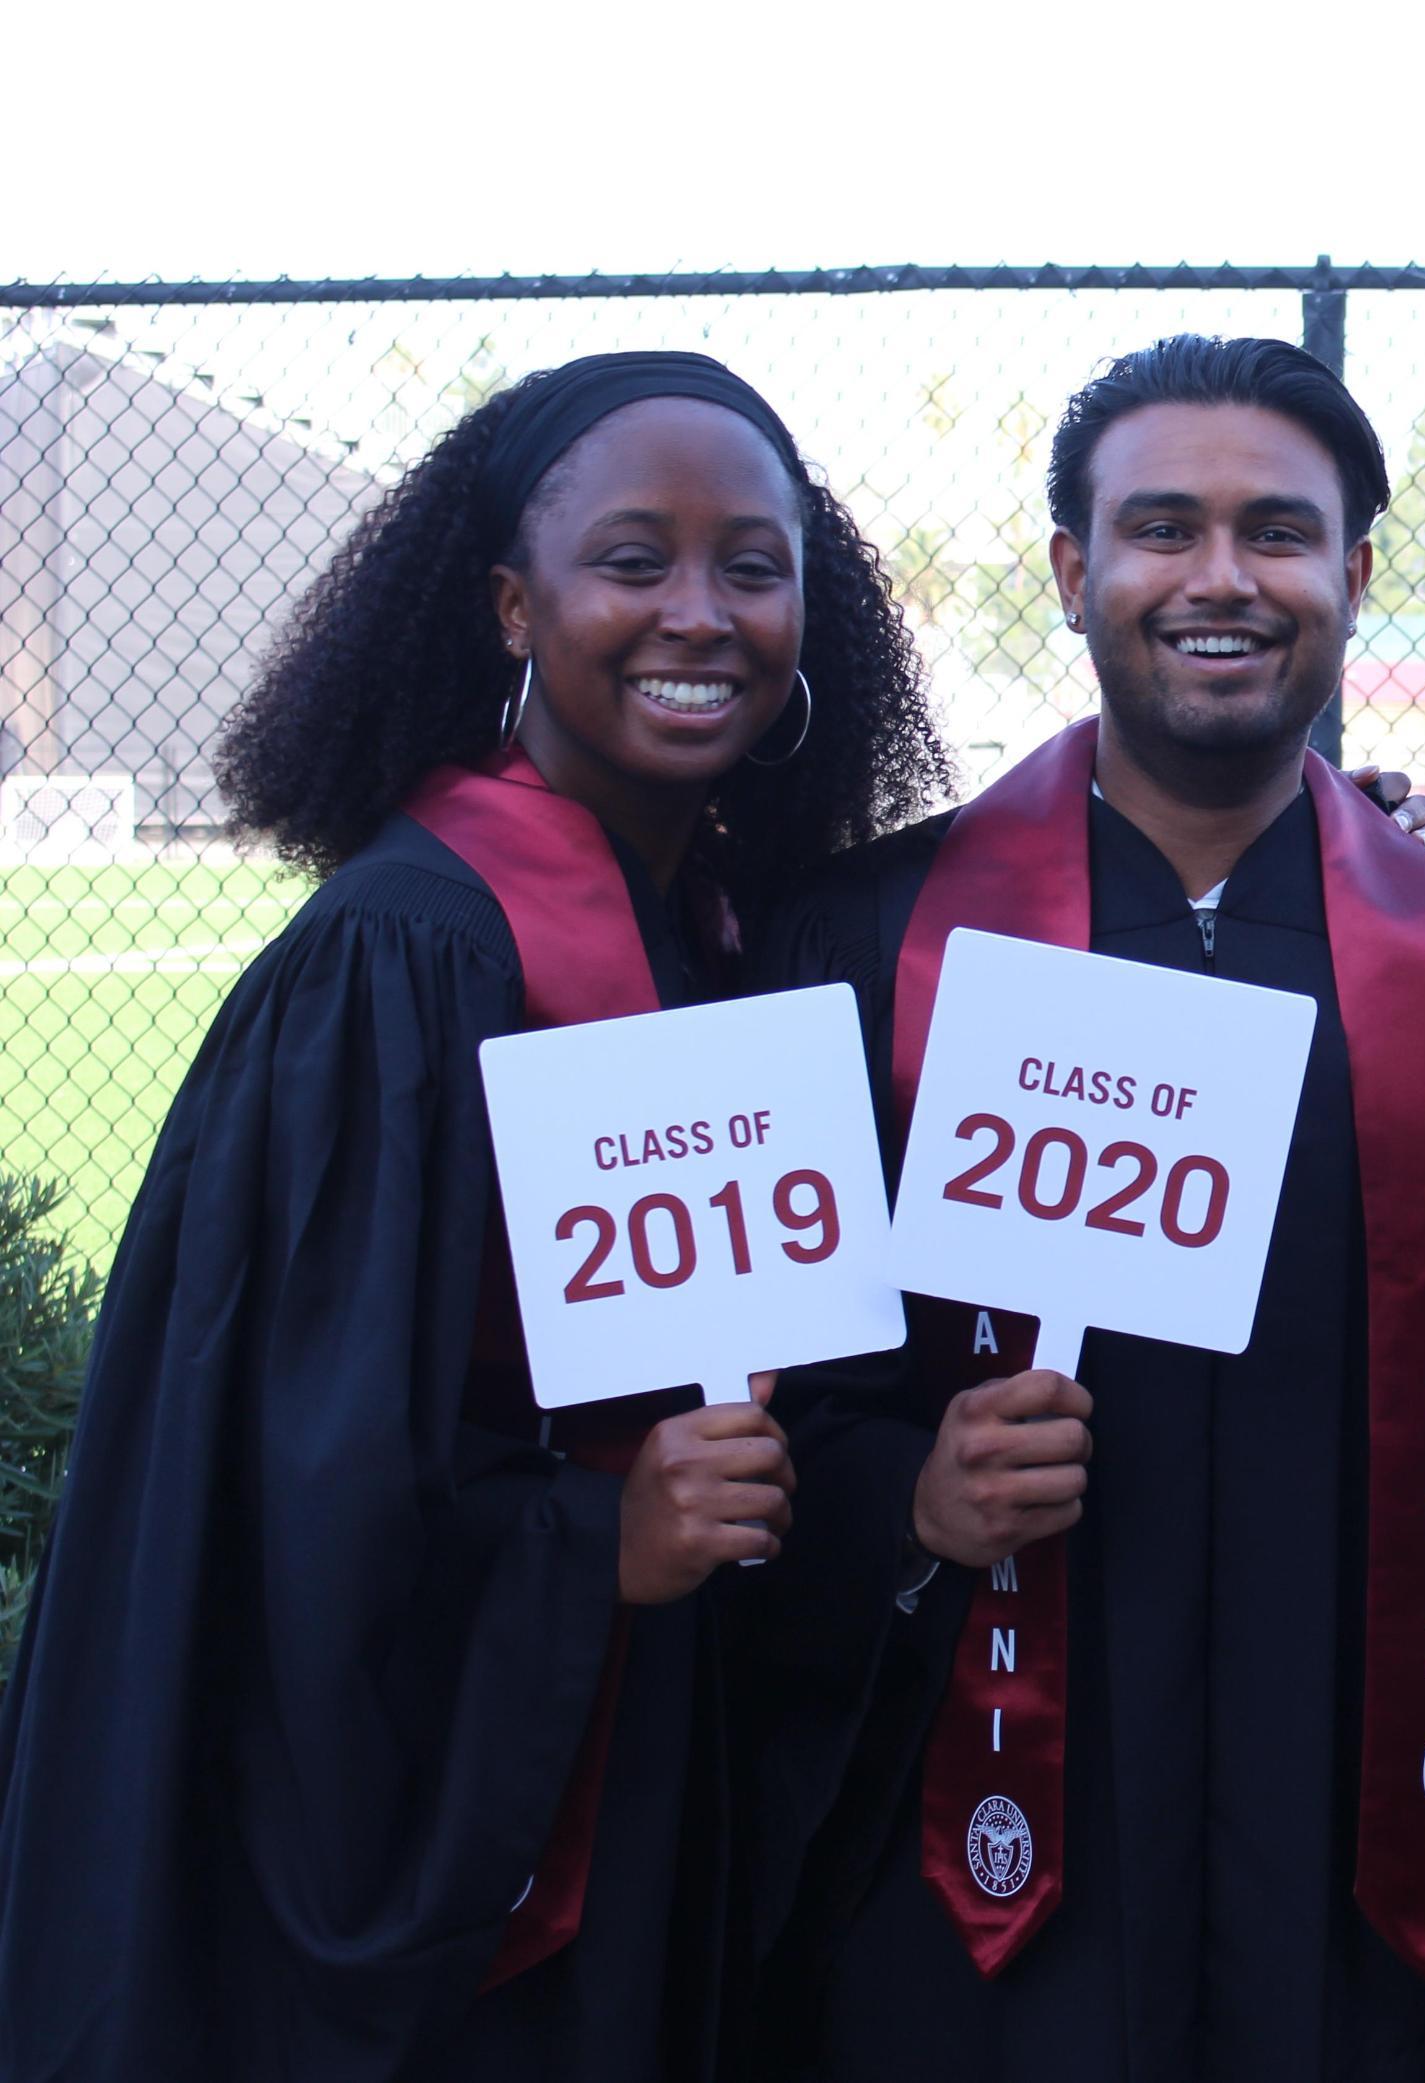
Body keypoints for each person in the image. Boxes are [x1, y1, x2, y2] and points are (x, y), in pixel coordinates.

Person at [0, 350, 956, 2081]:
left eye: (755, 566)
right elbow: (304, 1494)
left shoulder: (724, 939)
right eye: (633, 561)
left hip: (651, 1765)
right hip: (479, 1846)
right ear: (515, 605)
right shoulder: (412, 958)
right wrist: (597, 1544)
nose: (700, 614)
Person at [745, 334, 1425, 2082]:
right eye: (1161, 528)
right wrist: (906, 1492)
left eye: (1278, 532)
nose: (1220, 578)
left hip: (1359, 1843)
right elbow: (750, 1397)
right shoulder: (869, 947)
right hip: (976, 1853)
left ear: (1352, 575)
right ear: (1073, 573)